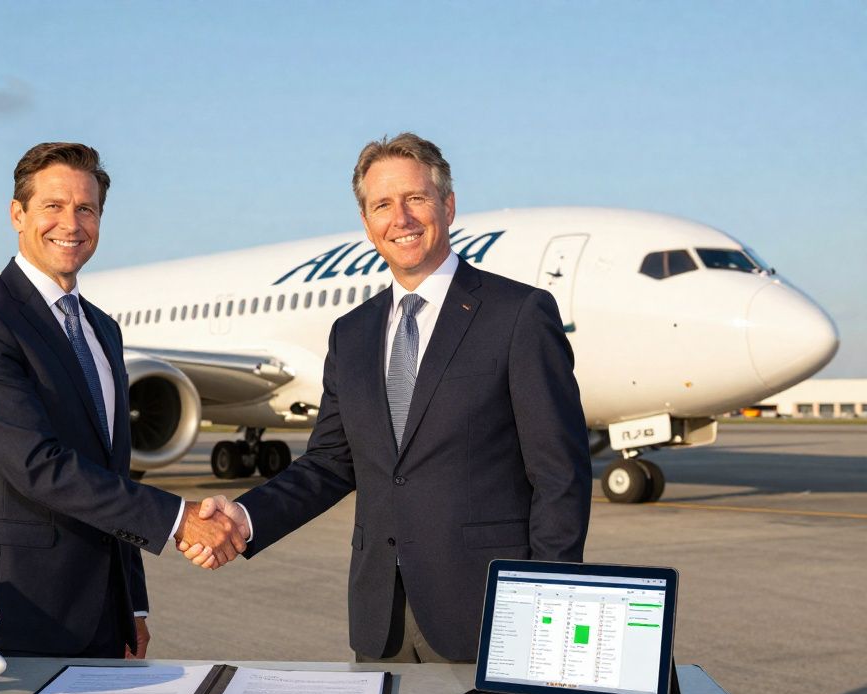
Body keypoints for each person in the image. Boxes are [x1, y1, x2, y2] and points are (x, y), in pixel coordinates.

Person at [185, 133, 591, 663]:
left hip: (492, 612)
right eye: (382, 205)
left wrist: (550, 602)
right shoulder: (352, 333)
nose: (400, 218)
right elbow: (331, 463)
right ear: (367, 222)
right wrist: (244, 518)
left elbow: (560, 474)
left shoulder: (517, 314)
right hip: (381, 617)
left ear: (447, 205)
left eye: (416, 199)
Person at [0, 141, 244, 659]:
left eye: (86, 209)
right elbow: (36, 465)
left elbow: (114, 471)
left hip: (102, 612)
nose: (70, 223)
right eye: (52, 206)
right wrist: (179, 518)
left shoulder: (103, 329)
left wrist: (134, 606)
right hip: (11, 611)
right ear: (18, 214)